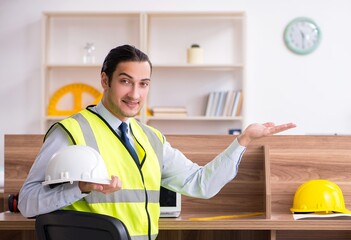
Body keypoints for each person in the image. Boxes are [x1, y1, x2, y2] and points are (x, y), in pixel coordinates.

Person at [18, 45, 296, 240]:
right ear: (105, 80)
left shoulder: (150, 138)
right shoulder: (71, 131)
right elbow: (28, 203)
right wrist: (81, 187)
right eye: (126, 81)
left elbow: (201, 183)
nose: (135, 94)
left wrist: (243, 140)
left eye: (144, 84)